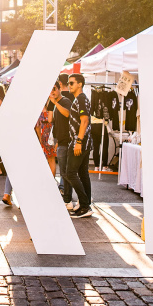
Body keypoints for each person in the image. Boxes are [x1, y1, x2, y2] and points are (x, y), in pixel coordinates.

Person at [65, 73, 93, 218]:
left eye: (71, 83)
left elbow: (84, 121)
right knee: (82, 173)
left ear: (80, 84)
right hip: (83, 142)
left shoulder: (81, 99)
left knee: (70, 173)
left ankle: (85, 205)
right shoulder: (79, 99)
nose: (69, 85)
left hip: (80, 142)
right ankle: (85, 205)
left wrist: (79, 142)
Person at [48, 81, 74, 207]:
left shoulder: (65, 101)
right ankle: (67, 198)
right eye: (51, 90)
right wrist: (56, 142)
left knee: (66, 173)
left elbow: (68, 114)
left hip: (67, 142)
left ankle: (68, 199)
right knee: (63, 172)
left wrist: (55, 103)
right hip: (61, 142)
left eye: (54, 89)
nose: (52, 92)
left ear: (59, 89)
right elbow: (55, 123)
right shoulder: (55, 104)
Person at [36, 99, 56, 176]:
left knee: (42, 161)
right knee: (51, 159)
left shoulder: (38, 110)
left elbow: (38, 126)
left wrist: (40, 139)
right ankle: (52, 181)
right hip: (51, 136)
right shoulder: (51, 109)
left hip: (42, 135)